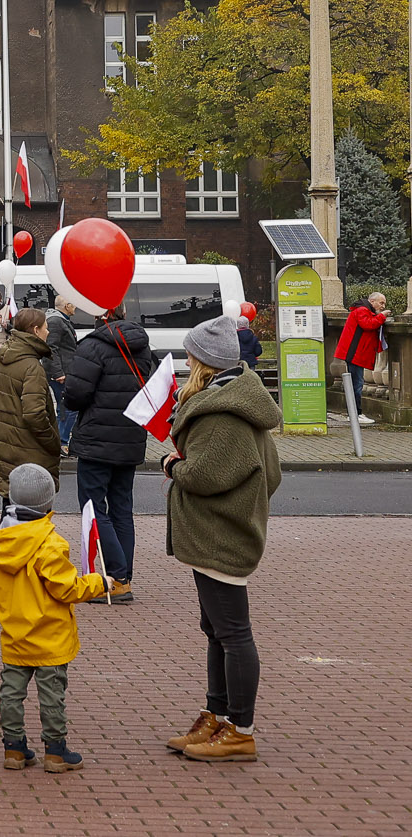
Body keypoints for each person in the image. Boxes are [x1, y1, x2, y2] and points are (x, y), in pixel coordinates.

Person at [161, 315, 281, 762]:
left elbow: (206, 474)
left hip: (221, 533)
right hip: (219, 530)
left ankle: (241, 730)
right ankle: (218, 715)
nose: (185, 358)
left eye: (190, 352)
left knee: (232, 633)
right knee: (217, 630)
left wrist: (173, 467)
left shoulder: (223, 413)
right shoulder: (232, 400)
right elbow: (269, 473)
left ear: (203, 361)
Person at [0, 463, 119, 774]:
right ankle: (55, 751)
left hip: (15, 633)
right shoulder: (50, 544)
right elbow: (66, 589)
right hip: (50, 636)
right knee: (52, 694)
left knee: (12, 692)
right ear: (48, 504)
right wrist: (99, 582)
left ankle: (14, 749)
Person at [63, 303, 155, 604]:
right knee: (121, 508)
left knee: (93, 508)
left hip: (97, 438)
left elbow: (76, 395)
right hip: (131, 436)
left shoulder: (92, 346)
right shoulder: (142, 346)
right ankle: (123, 577)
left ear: (98, 315)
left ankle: (115, 578)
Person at [0, 309, 59, 506]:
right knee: (31, 520)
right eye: (46, 328)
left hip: (9, 447)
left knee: (11, 515)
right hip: (30, 452)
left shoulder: (9, 358)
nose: (48, 332)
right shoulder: (32, 366)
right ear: (36, 330)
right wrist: (53, 442)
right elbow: (34, 414)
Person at [333, 291, 388, 426]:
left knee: (355, 383)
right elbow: (368, 324)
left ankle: (354, 413)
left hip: (355, 353)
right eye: (381, 303)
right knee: (356, 384)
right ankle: (355, 414)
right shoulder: (362, 310)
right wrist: (382, 316)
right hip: (355, 353)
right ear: (372, 301)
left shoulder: (361, 309)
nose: (382, 306)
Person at [46, 296, 80, 453]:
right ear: (67, 305)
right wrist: (58, 372)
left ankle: (61, 441)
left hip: (65, 371)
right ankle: (61, 442)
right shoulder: (56, 321)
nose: (76, 307)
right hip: (62, 374)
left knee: (65, 408)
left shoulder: (59, 320)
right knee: (68, 408)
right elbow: (51, 348)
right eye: (74, 304)